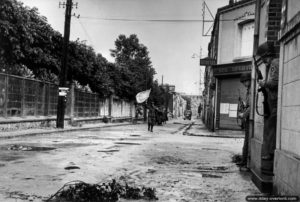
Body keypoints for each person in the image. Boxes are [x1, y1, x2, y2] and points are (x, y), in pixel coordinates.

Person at [256, 42, 279, 164]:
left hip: (275, 102)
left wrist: (263, 83)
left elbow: (275, 83)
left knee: (271, 128)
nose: (264, 61)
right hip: (272, 101)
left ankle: (270, 153)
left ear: (268, 55)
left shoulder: (275, 63)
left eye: (264, 58)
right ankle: (270, 152)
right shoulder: (273, 64)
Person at [237, 73, 251, 170]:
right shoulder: (249, 90)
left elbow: (251, 106)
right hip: (248, 119)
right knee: (246, 141)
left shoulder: (251, 90)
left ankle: (244, 162)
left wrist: (243, 115)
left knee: (247, 141)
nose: (244, 84)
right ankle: (244, 161)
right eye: (243, 82)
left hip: (248, 118)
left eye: (245, 82)